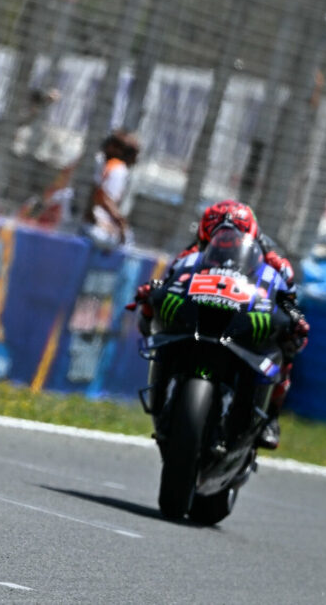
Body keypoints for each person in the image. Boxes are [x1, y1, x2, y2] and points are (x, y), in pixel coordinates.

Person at [132, 199, 309, 449]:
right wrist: (152, 297)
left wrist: (295, 319)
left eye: (232, 240)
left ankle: (270, 416)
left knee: (290, 343)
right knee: (151, 314)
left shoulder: (276, 263)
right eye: (218, 239)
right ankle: (161, 391)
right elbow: (169, 282)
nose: (224, 246)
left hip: (245, 317)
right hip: (201, 315)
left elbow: (289, 300)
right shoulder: (189, 254)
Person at [81, 129, 140, 248]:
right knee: (126, 241)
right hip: (87, 224)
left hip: (83, 218)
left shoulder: (96, 161)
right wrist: (119, 222)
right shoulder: (118, 168)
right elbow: (101, 198)